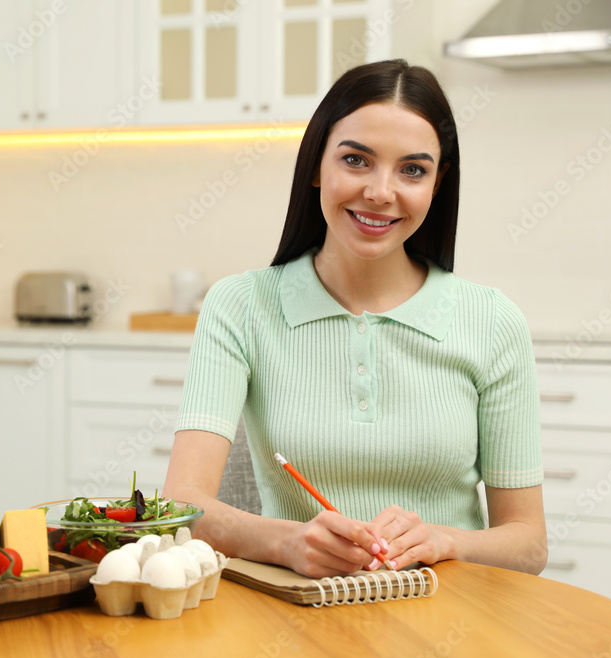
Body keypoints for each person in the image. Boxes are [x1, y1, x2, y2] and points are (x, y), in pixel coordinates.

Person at [163, 59, 547, 579]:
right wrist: (289, 542)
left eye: (412, 169)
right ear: (317, 165)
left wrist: (445, 540)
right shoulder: (239, 305)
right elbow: (181, 506)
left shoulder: (493, 322)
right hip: (301, 619)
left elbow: (528, 545)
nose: (381, 192)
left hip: (450, 626)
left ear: (437, 183)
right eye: (356, 160)